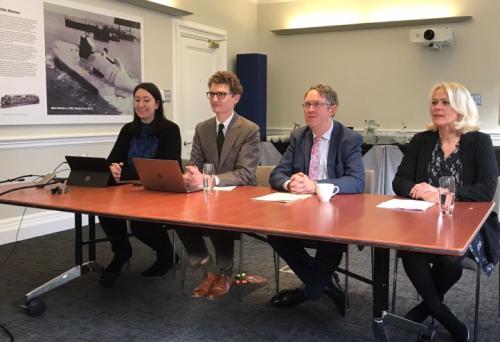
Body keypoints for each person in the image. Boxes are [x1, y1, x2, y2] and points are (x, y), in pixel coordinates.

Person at [392, 81, 499, 342]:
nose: (437, 107)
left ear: (461, 108)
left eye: (445, 102)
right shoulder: (421, 140)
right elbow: (400, 181)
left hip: (467, 222)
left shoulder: (479, 141)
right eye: (434, 102)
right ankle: (441, 312)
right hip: (422, 219)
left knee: (450, 258)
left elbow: (486, 190)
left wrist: (442, 193)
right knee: (407, 246)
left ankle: (425, 308)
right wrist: (419, 190)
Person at [268, 84, 365, 315]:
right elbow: (276, 174)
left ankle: (309, 291)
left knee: (331, 241)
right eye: (307, 104)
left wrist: (315, 186)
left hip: (336, 212)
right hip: (300, 211)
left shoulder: (348, 138)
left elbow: (356, 181)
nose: (310, 109)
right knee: (275, 234)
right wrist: (290, 183)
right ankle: (326, 285)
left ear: (332, 109)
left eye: (316, 104)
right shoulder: (299, 136)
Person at [176, 71, 260, 299]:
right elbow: (194, 163)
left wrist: (211, 180)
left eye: (221, 94)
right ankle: (209, 268)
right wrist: (191, 174)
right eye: (211, 94)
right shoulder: (202, 128)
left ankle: (224, 274)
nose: (215, 99)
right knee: (177, 216)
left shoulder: (249, 130)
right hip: (206, 194)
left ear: (236, 98)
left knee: (219, 217)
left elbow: (246, 173)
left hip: (239, 197)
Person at [98, 82, 182, 287]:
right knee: (105, 211)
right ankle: (121, 252)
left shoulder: (170, 130)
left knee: (139, 224)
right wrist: (113, 169)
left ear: (157, 104)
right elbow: (113, 159)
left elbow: (162, 168)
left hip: (159, 190)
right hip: (130, 189)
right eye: (137, 100)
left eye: (146, 100)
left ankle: (167, 255)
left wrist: (124, 171)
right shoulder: (128, 130)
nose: (141, 104)